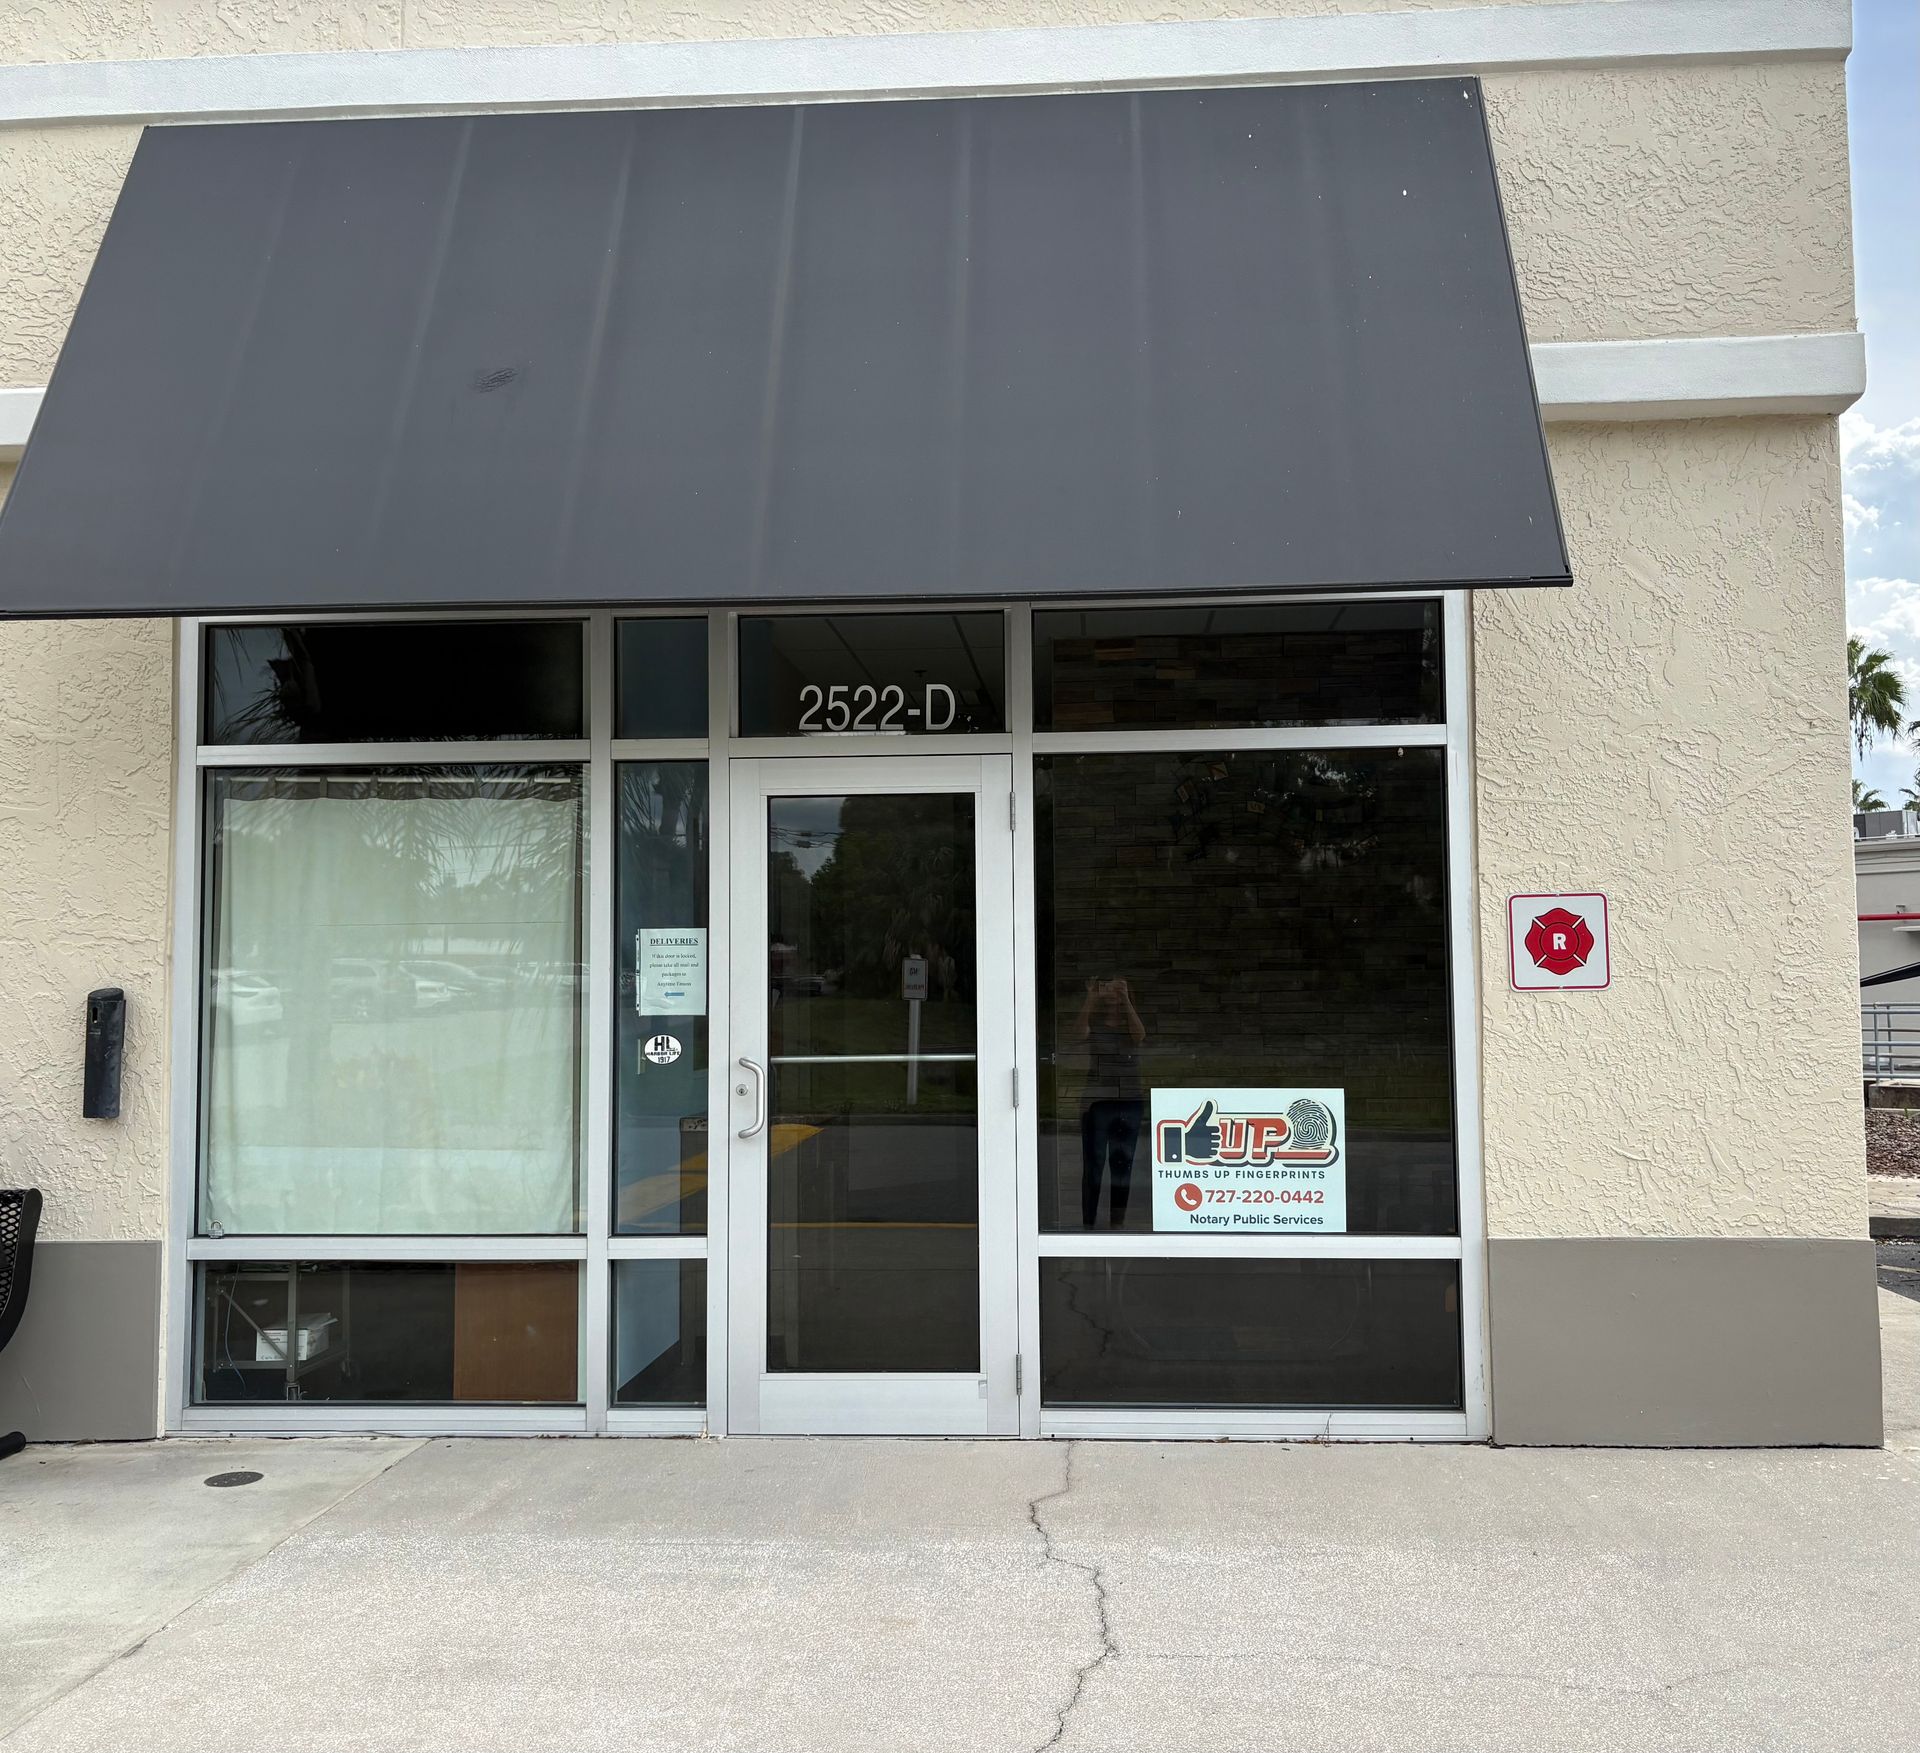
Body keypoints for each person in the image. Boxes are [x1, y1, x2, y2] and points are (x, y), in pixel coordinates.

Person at [1076, 974, 1146, 1228]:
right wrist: (1090, 998)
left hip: (1130, 1100)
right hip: (1098, 1102)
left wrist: (1126, 1001)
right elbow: (1079, 1033)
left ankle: (1117, 1223)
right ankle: (1088, 1223)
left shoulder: (1130, 1022)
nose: (1113, 992)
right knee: (1094, 1163)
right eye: (1110, 987)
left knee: (1122, 1164)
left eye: (1119, 988)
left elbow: (1139, 1035)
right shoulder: (1095, 1022)